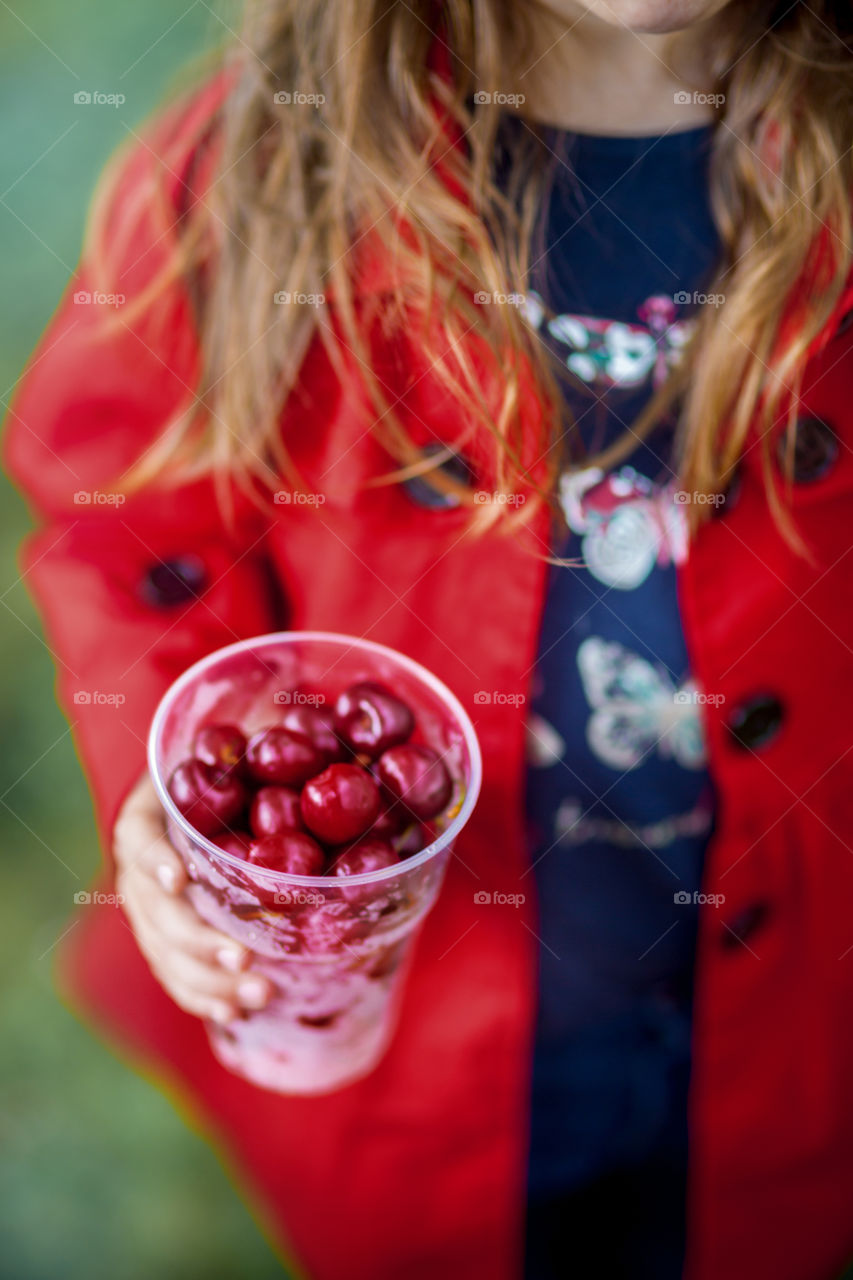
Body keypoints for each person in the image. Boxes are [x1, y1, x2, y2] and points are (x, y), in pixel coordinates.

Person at [5, 2, 853, 1277]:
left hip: (799, 1014)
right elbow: (129, 526)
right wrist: (172, 777)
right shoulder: (261, 163)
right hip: (421, 1034)